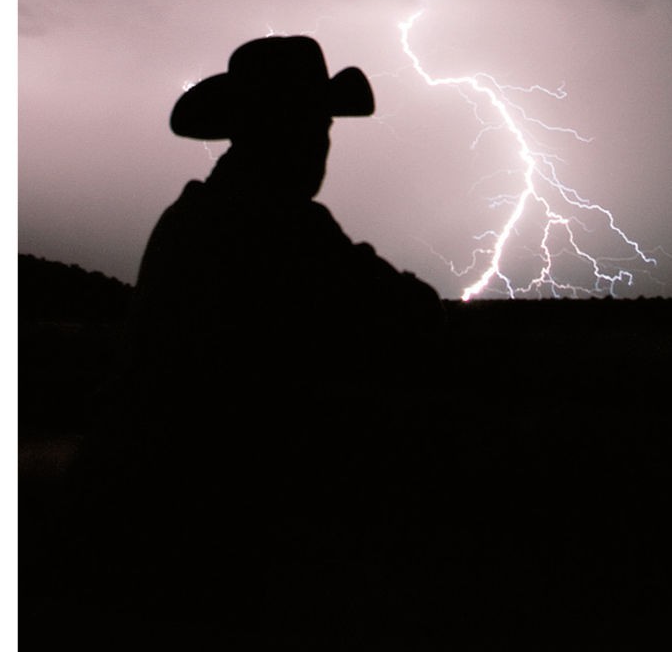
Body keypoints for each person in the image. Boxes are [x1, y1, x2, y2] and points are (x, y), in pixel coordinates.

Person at [130, 34, 440, 420]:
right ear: (280, 131)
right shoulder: (280, 226)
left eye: (323, 126)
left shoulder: (193, 213)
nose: (322, 144)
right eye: (315, 125)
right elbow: (411, 312)